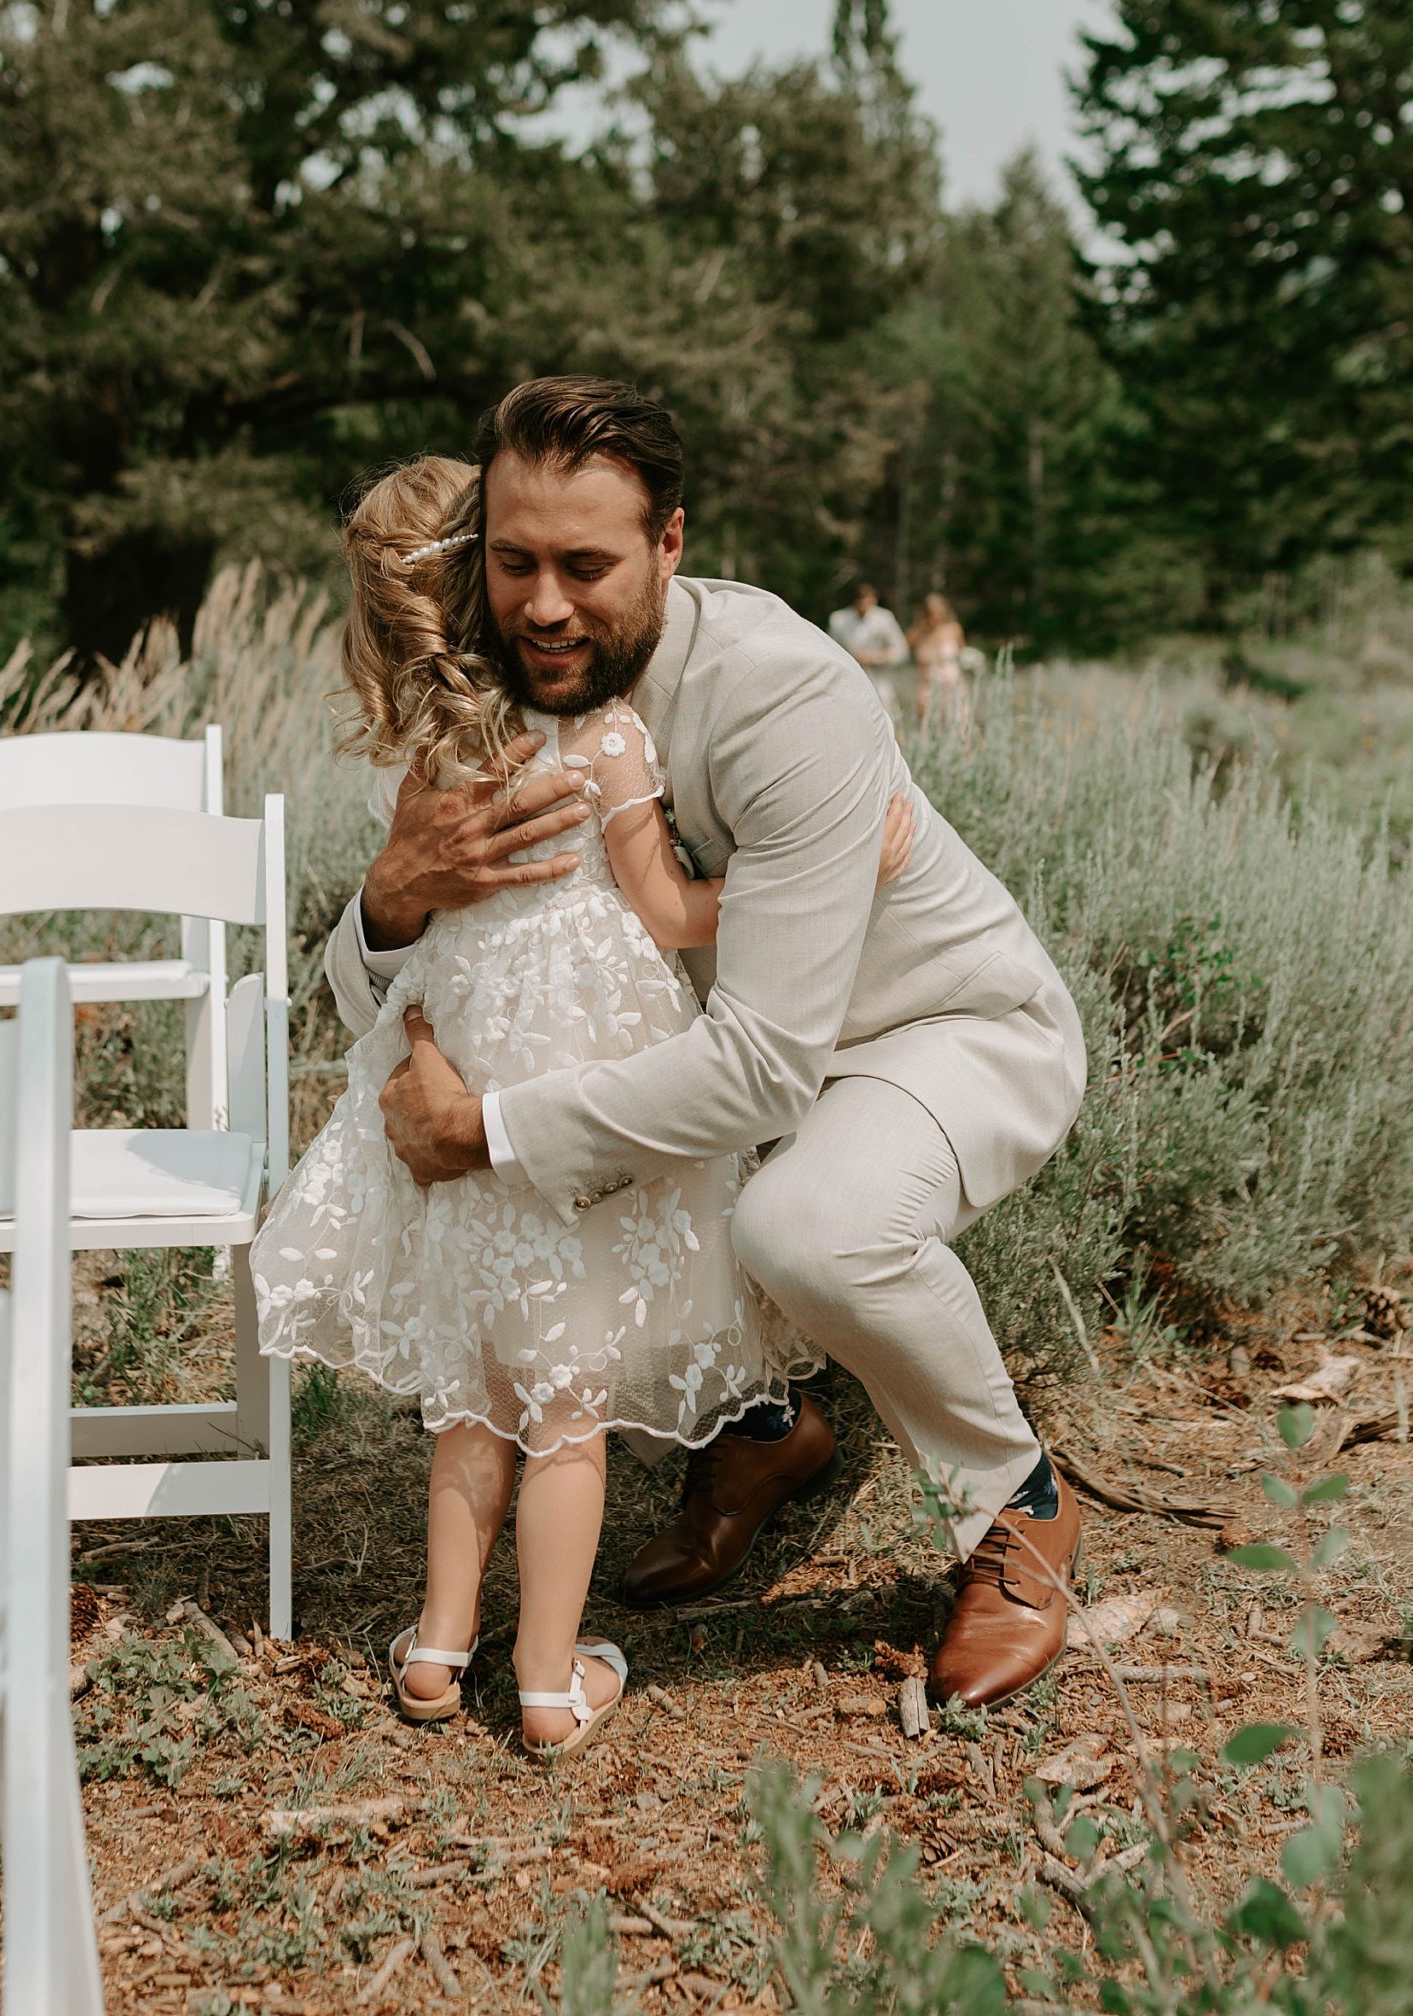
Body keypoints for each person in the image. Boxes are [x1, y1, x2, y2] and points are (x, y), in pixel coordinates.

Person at [338, 377, 1089, 1711]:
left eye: (587, 566)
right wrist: (395, 898)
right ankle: (759, 1426)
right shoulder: (493, 696)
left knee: (805, 1228)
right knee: (613, 1203)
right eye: (513, 565)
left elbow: (758, 1068)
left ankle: (1012, 1514)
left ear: (668, 545)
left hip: (920, 1032)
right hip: (712, 1057)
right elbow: (408, 983)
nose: (546, 605)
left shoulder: (780, 698)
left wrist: (487, 1131)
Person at [252, 454, 884, 1759]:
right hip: (579, 1073)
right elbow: (662, 911)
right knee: (567, 1417)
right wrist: (813, 880)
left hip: (465, 1065)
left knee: (471, 1403)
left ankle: (434, 1653)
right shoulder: (600, 730)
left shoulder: (412, 757)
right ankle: (546, 1683)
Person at [827, 581, 909, 717]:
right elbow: (830, 649)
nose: (863, 602)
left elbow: (901, 650)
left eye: (867, 597)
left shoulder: (884, 618)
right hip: (848, 679)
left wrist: (876, 658)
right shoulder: (838, 620)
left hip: (880, 680)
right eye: (860, 598)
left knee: (885, 715)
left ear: (874, 599)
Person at [910, 592, 967, 731]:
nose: (935, 617)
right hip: (927, 688)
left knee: (958, 730)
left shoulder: (954, 629)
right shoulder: (916, 633)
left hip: (953, 688)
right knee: (926, 730)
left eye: (939, 613)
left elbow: (962, 652)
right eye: (931, 614)